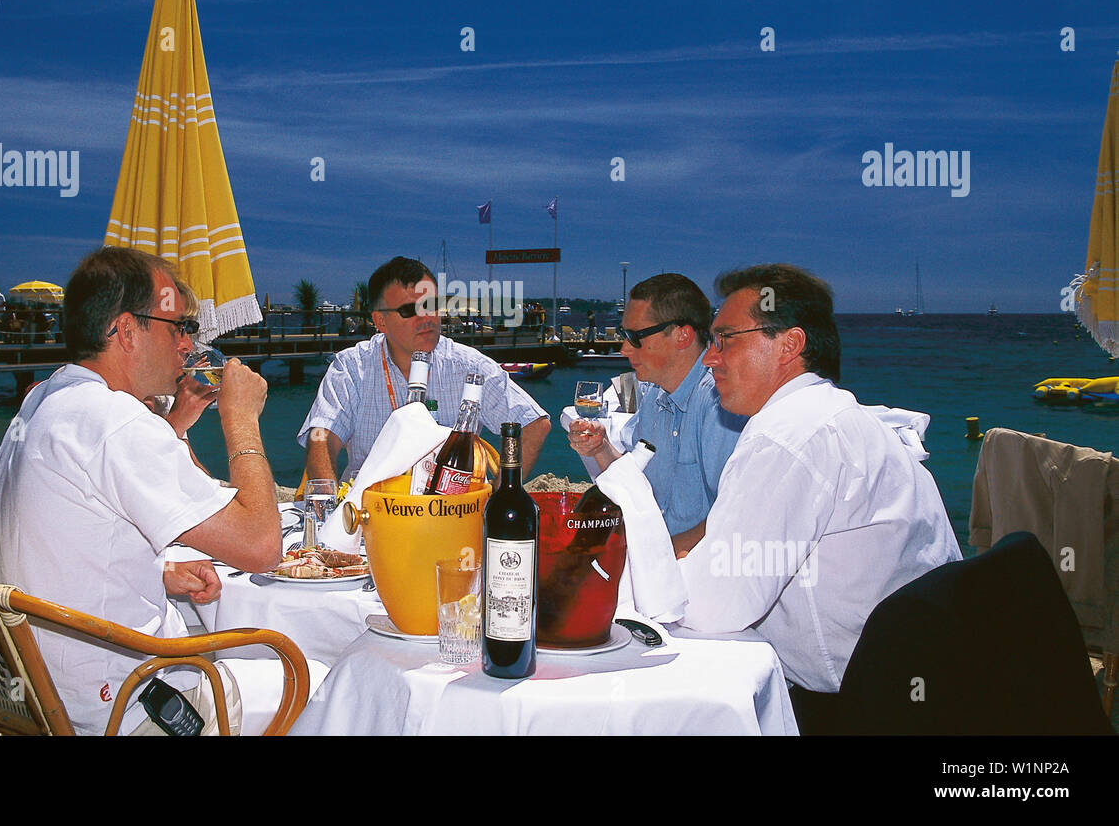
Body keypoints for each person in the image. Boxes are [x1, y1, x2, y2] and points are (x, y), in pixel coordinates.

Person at [0, 247, 290, 735]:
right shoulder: (115, 422)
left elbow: (71, 528)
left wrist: (156, 571)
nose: (189, 345)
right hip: (123, 707)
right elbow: (262, 546)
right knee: (333, 684)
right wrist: (241, 420)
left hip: (33, 691)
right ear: (125, 331)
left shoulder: (46, 399)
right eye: (179, 326)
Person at [678, 264, 960, 728]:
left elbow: (714, 606)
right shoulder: (837, 415)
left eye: (725, 338)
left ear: (789, 343)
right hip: (921, 680)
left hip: (853, 710)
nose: (710, 359)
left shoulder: (790, 434)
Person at [299, 256, 550, 482]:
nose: (427, 317)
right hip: (374, 509)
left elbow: (534, 425)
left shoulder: (470, 367)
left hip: (454, 510)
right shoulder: (352, 368)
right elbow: (321, 435)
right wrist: (326, 503)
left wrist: (500, 494)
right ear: (380, 321)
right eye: (409, 310)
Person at [568, 273, 745, 553]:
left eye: (634, 337)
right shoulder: (653, 396)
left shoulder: (721, 406)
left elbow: (735, 518)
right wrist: (601, 448)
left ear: (682, 335)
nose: (624, 348)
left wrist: (656, 561)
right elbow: (637, 479)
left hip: (700, 572)